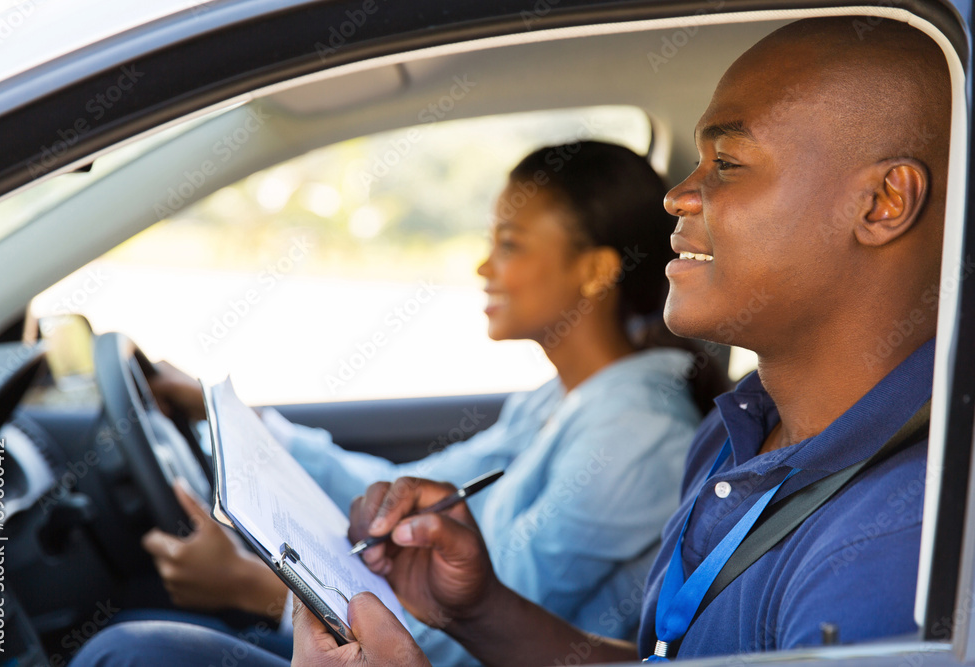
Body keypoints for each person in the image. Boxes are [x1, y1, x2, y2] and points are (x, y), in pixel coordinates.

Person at [72, 14, 949, 666]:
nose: (681, 195)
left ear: (882, 203)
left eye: (726, 162)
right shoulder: (741, 433)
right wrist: (480, 607)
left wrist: (260, 590)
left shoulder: (887, 550)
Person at [126, 141, 726, 664]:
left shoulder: (636, 436)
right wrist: (249, 425)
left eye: (511, 245)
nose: (484, 265)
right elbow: (401, 486)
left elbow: (471, 630)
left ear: (595, 271)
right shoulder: (563, 399)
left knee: (134, 652)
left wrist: (248, 587)